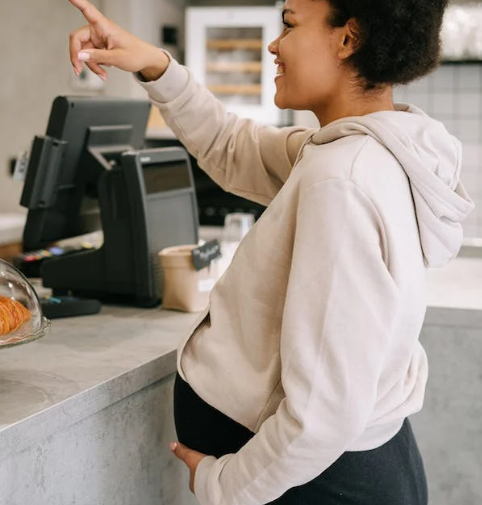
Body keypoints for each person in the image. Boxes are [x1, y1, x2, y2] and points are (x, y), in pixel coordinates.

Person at [68, 0, 474, 504]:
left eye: (288, 24)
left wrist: (222, 485)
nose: (273, 44)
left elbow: (322, 416)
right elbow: (233, 147)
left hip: (322, 486)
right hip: (354, 472)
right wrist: (154, 64)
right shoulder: (361, 151)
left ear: (348, 39)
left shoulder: (343, 181)